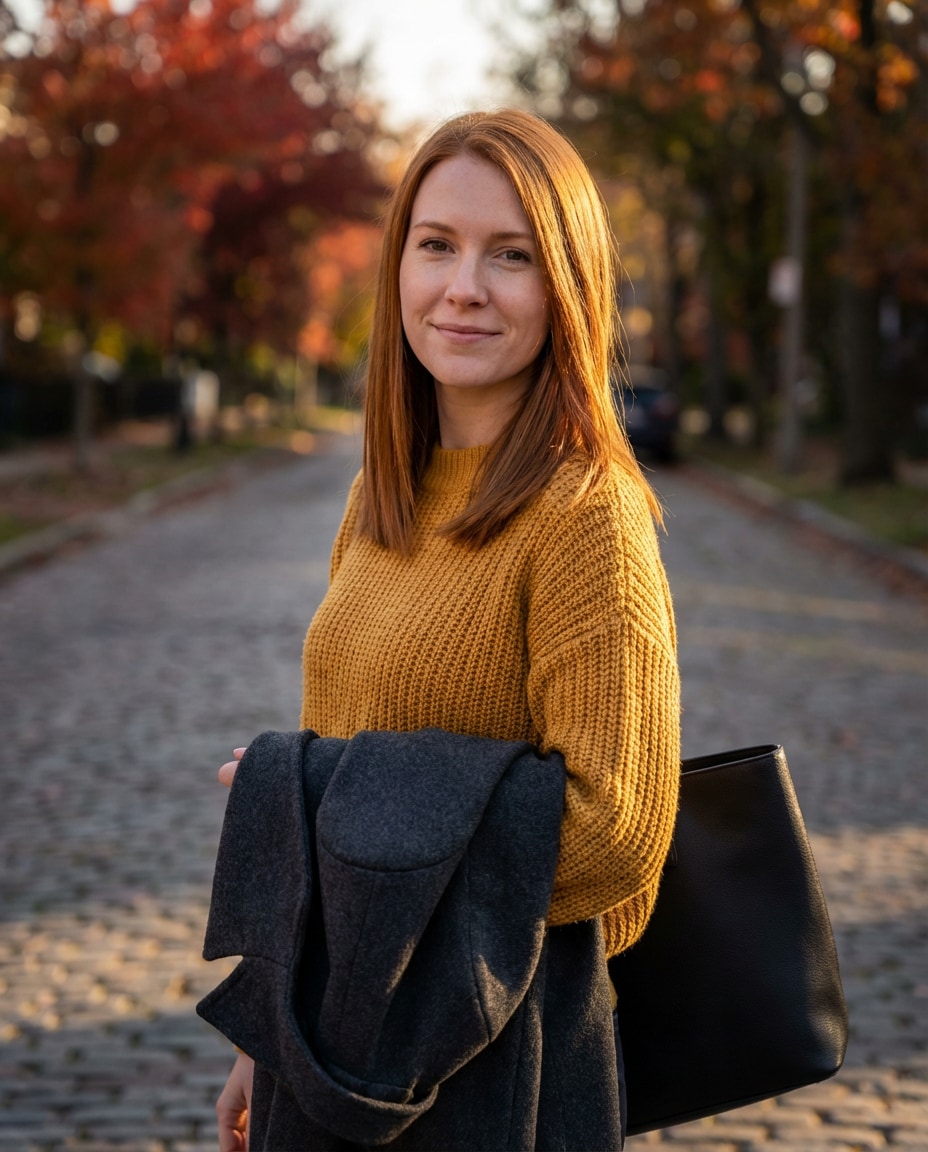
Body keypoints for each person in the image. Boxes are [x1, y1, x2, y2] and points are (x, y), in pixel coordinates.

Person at [212, 108, 680, 1151]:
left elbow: (619, 832)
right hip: (331, 1043)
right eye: (437, 245)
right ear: (399, 269)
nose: (463, 285)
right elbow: (333, 753)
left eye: (509, 256)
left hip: (489, 1066)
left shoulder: (583, 513)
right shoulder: (382, 496)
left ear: (566, 288)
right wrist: (265, 1029)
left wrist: (324, 803)